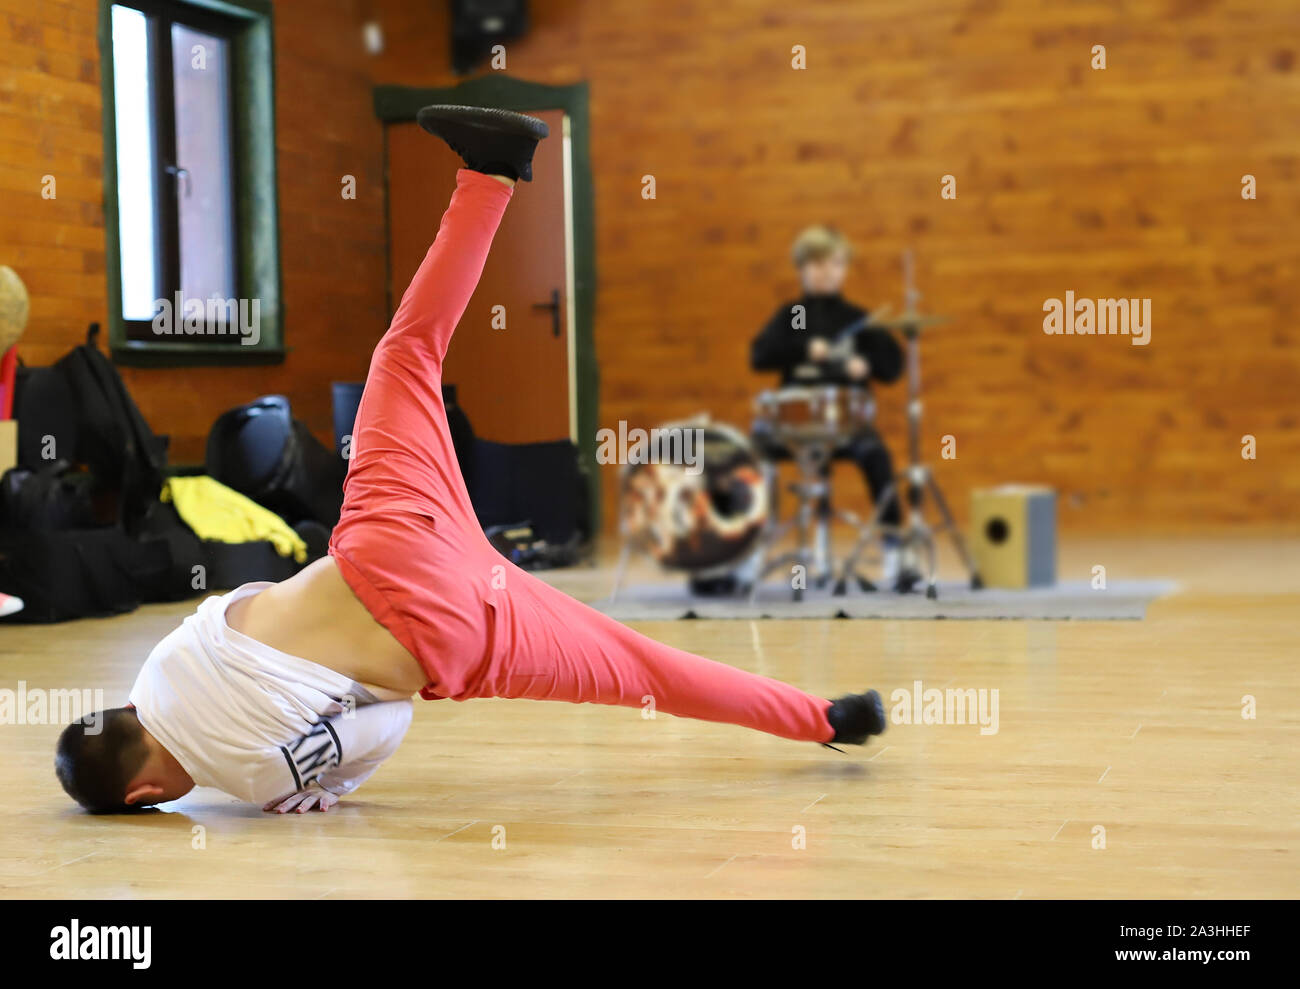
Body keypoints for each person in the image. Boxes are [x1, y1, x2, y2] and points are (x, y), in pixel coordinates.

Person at [54, 106, 886, 816]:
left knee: (644, 668)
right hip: (390, 537)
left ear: (146, 797)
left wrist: (328, 779)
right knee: (405, 355)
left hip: (452, 626)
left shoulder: (245, 775)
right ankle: (490, 172)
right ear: (122, 710)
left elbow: (391, 723)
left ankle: (829, 716)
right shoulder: (163, 664)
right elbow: (263, 598)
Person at [750, 225, 917, 588]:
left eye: (835, 264)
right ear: (802, 268)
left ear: (845, 269)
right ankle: (746, 552)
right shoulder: (792, 315)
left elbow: (893, 368)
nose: (827, 272)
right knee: (750, 453)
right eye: (818, 264)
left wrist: (866, 365)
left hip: (847, 429)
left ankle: (894, 550)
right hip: (793, 430)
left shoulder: (857, 319)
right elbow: (759, 356)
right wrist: (804, 350)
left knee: (878, 457)